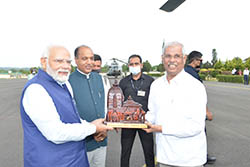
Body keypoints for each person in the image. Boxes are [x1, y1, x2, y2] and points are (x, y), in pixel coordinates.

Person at [20, 45, 112, 167]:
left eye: (68, 62)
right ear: (44, 61)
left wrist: (98, 125)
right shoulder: (36, 89)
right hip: (51, 162)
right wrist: (93, 128)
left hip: (75, 159)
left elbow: (74, 119)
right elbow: (55, 133)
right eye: (58, 61)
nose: (65, 66)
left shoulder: (64, 84)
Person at [144, 42, 207, 167]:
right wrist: (136, 121)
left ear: (184, 59)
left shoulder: (195, 87)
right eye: (168, 56)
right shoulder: (156, 85)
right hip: (164, 158)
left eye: (177, 56)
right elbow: (152, 113)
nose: (172, 60)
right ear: (162, 59)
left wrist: (161, 128)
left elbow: (196, 126)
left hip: (190, 160)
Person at [69, 45, 107, 167]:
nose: (89, 62)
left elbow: (105, 106)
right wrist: (92, 130)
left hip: (102, 139)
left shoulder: (100, 78)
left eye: (91, 58)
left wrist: (104, 128)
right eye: (85, 58)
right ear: (76, 60)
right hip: (82, 144)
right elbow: (69, 114)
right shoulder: (68, 82)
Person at [119, 54, 155, 167]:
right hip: (128, 122)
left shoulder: (150, 81)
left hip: (145, 122)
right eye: (131, 64)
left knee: (149, 151)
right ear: (128, 66)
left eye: (136, 63)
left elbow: (155, 101)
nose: (134, 66)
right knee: (125, 151)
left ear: (141, 65)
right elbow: (119, 102)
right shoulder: (123, 82)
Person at [185, 50, 216, 165]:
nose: (201, 63)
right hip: (194, 110)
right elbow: (199, 96)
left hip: (187, 109)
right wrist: (206, 111)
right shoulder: (191, 74)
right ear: (195, 60)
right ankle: (201, 157)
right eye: (200, 60)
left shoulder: (186, 71)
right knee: (199, 133)